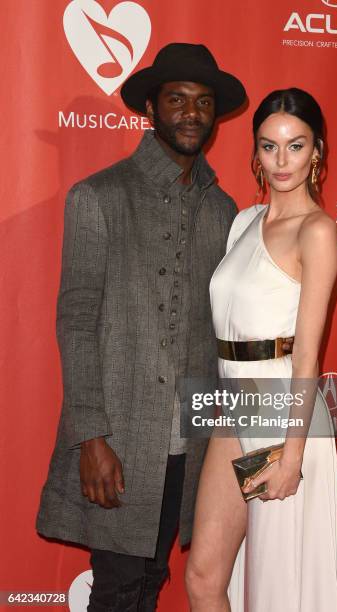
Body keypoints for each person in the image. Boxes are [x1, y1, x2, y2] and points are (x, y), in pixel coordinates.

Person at [36, 42, 246, 611]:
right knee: (119, 589)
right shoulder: (98, 198)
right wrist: (91, 437)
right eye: (176, 99)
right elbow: (76, 321)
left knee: (152, 582)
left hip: (193, 443)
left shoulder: (225, 211)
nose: (191, 113)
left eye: (203, 102)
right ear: (150, 108)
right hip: (120, 440)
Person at [185, 88, 337, 611]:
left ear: (317, 151)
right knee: (203, 578)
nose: (282, 161)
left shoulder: (317, 231)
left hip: (280, 412)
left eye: (296, 145)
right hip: (233, 408)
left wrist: (293, 452)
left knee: (277, 589)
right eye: (269, 146)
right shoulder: (242, 222)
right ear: (255, 152)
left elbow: (307, 356)